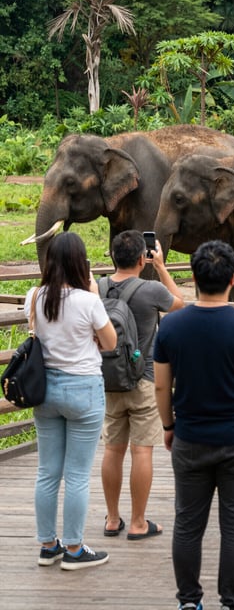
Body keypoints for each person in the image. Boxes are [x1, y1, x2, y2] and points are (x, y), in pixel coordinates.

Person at [153, 240, 234, 610]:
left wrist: (168, 425)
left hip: (190, 437)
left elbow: (162, 384)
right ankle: (233, 601)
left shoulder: (172, 327)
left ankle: (189, 601)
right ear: (233, 279)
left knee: (188, 524)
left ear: (193, 277)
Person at [28, 231, 117, 570]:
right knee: (77, 474)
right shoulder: (87, 300)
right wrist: (94, 293)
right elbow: (109, 343)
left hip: (46, 391)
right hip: (83, 390)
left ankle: (49, 545)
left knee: (47, 472)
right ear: (82, 263)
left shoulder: (35, 295)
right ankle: (76, 550)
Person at [101, 229, 185, 540]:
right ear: (142, 258)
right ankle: (138, 522)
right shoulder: (151, 290)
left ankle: (112, 519)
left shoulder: (99, 288)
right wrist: (161, 267)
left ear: (112, 257)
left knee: (112, 449)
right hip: (144, 379)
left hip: (109, 379)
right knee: (141, 452)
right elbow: (180, 305)